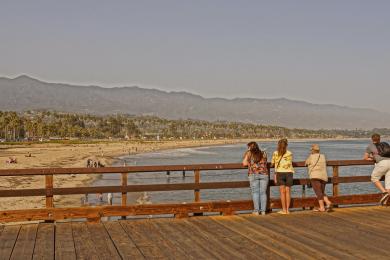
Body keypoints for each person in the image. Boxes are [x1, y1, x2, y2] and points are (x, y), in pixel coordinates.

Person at [242, 142, 269, 215]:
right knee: (263, 193)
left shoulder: (249, 153)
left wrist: (247, 152)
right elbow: (265, 162)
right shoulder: (264, 153)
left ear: (250, 147)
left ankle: (256, 211)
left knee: (255, 193)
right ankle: (263, 211)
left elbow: (244, 163)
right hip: (264, 174)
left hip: (253, 174)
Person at [364, 133, 390, 205]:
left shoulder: (370, 146)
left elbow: (365, 158)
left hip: (382, 163)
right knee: (388, 183)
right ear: (380, 139)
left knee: (374, 178)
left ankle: (384, 192)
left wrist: (373, 157)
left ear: (372, 139)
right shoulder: (385, 144)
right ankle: (386, 202)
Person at [305, 144, 332, 212]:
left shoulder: (311, 156)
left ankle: (323, 207)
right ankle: (327, 203)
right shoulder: (323, 156)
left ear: (312, 150)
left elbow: (306, 163)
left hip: (315, 176)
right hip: (323, 176)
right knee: (321, 192)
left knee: (318, 192)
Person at [271, 138, 294, 214]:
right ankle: (288, 210)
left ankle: (284, 210)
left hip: (280, 173)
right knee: (288, 192)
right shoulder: (290, 153)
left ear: (278, 145)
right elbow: (290, 162)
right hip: (289, 173)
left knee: (282, 192)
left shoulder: (275, 153)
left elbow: (272, 163)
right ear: (286, 145)